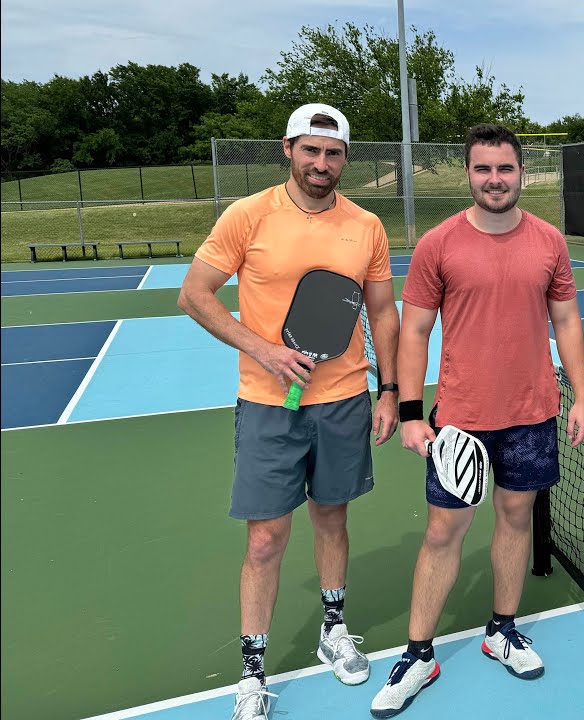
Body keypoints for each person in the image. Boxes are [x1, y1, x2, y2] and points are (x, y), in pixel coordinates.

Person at [178, 103, 401, 720]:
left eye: (333, 153)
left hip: (345, 401)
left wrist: (391, 390)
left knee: (332, 518)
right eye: (311, 150)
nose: (321, 163)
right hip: (268, 405)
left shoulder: (367, 226)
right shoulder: (248, 215)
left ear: (345, 159)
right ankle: (252, 669)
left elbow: (382, 313)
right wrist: (265, 350)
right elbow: (195, 294)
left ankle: (334, 628)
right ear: (288, 149)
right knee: (267, 538)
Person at [371, 124, 584, 718]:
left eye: (506, 168)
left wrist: (583, 397)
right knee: (444, 532)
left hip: (532, 415)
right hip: (461, 421)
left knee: (516, 520)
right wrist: (413, 413)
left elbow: (567, 323)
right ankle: (419, 654)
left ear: (523, 173)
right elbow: (414, 331)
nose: (495, 179)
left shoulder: (549, 242)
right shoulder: (438, 245)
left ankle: (502, 629)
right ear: (468, 174)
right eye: (483, 169)